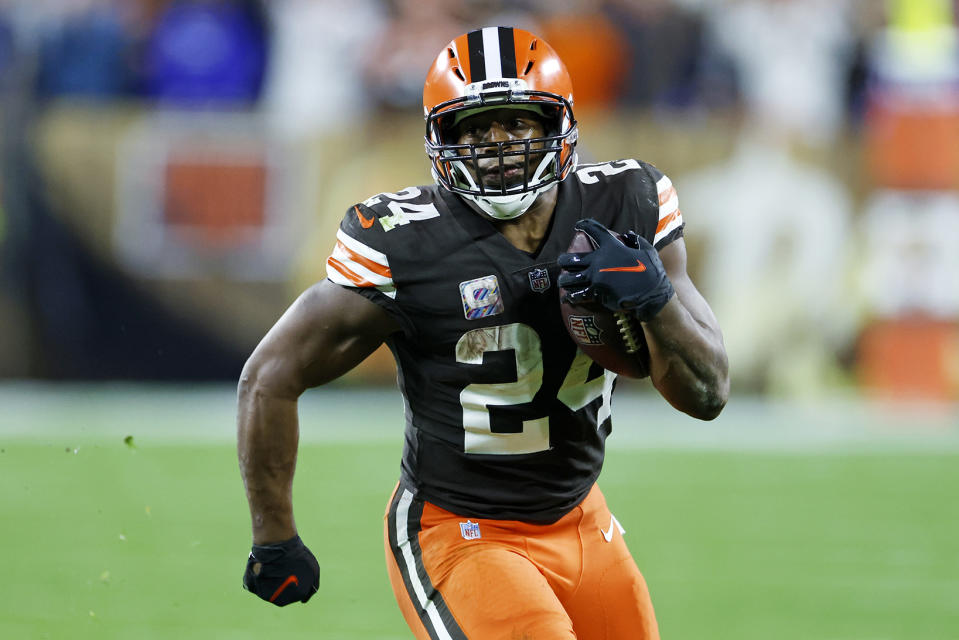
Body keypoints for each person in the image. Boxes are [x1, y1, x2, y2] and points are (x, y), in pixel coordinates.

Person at [237, 26, 729, 639]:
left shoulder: (627, 203)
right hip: (458, 529)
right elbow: (269, 377)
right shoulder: (404, 243)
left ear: (557, 127)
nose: (496, 145)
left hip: (580, 516)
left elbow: (707, 394)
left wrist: (655, 300)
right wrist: (273, 535)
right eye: (474, 129)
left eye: (518, 125)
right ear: (441, 139)